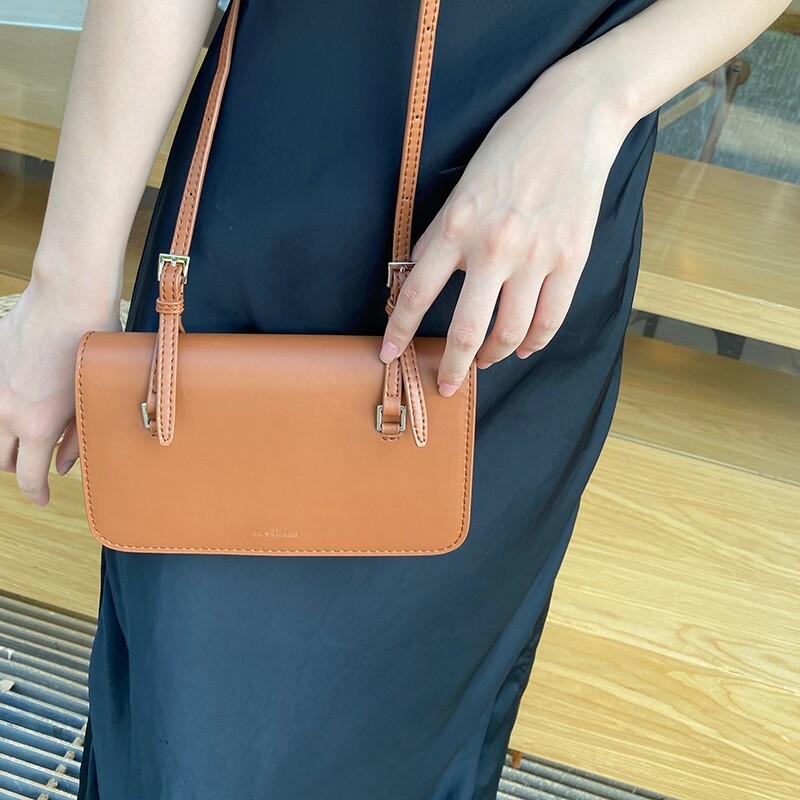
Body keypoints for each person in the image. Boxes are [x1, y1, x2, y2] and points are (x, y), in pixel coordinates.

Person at [0, 0, 788, 797]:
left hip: (526, 252)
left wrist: (601, 94)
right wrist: (67, 282)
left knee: (422, 736)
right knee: (198, 736)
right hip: (283, 206)